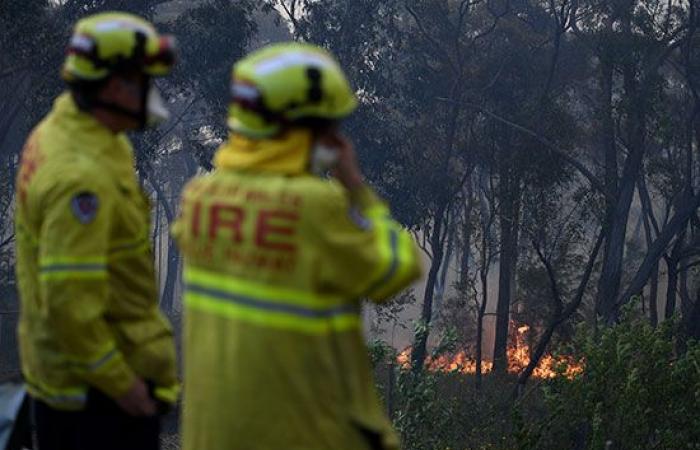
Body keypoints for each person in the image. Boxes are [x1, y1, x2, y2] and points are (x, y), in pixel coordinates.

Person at [172, 42, 422, 450]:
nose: (336, 136)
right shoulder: (314, 205)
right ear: (304, 127)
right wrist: (357, 190)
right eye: (330, 126)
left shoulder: (200, 198)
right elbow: (396, 270)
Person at [14, 12, 179, 450]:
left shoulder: (68, 132)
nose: (150, 90)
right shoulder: (80, 177)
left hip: (86, 387)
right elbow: (69, 303)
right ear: (113, 86)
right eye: (142, 79)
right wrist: (126, 386)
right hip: (97, 399)